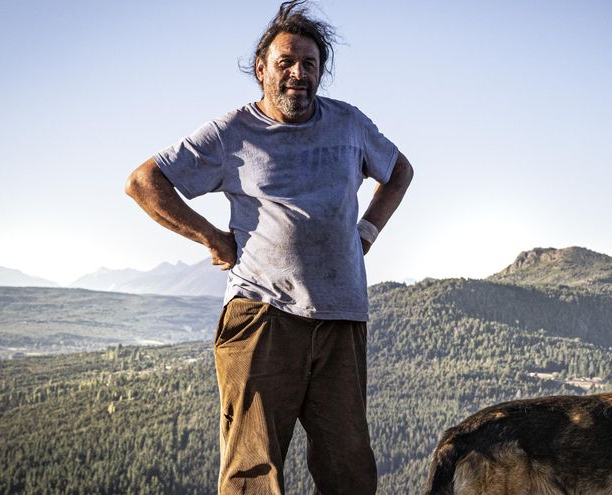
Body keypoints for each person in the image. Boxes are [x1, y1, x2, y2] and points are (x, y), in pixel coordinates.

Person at [124, 1, 413, 493]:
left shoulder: (349, 124)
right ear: (261, 70)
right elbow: (145, 182)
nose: (299, 74)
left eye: (310, 65)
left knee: (349, 471)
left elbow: (399, 171)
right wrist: (210, 237)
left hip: (341, 318)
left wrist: (368, 232)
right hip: (262, 316)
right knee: (252, 472)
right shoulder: (231, 132)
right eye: (286, 63)